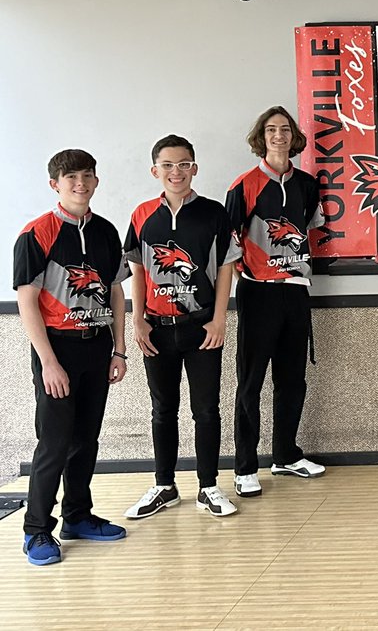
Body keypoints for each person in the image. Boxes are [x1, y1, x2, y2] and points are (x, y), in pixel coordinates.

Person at [13, 149, 129, 565]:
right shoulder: (37, 233)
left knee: (86, 439)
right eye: (71, 177)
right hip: (56, 348)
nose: (80, 183)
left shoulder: (107, 231)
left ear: (96, 181)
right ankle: (36, 530)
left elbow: (116, 290)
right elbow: (27, 302)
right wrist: (48, 361)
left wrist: (118, 349)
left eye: (87, 175)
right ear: (55, 185)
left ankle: (77, 516)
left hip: (97, 346)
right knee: (55, 442)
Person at [123, 135, 240, 520]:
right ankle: (164, 485)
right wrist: (136, 319)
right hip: (157, 329)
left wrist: (220, 317)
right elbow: (137, 271)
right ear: (155, 170)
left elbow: (225, 266)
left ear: (195, 167)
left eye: (184, 163)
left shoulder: (213, 213)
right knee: (163, 410)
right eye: (168, 165)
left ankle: (208, 486)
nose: (177, 172)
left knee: (206, 410)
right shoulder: (142, 215)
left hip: (201, 327)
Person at [226, 106, 327, 498]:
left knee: (292, 379)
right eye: (271, 130)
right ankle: (245, 467)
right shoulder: (245, 184)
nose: (279, 136)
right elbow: (228, 240)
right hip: (258, 292)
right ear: (261, 137)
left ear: (294, 136)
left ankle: (285, 455)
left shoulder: (305, 183)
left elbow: (311, 226)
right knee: (250, 383)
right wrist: (247, 275)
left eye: (285, 129)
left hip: (296, 290)